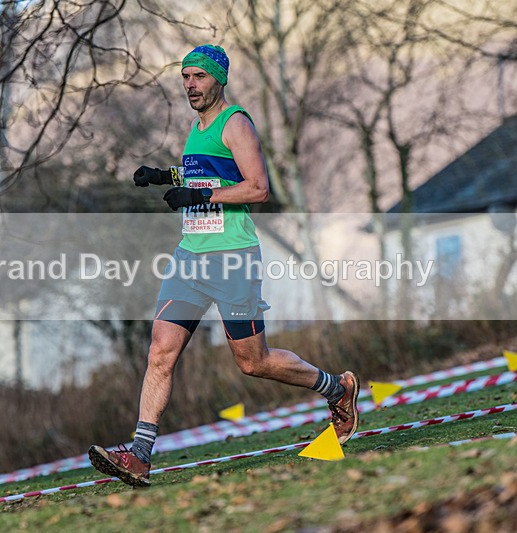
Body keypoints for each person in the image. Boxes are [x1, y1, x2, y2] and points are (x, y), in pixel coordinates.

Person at [88, 44, 359, 487]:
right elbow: (206, 174)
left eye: (198, 76)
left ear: (218, 79)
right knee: (160, 350)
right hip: (190, 257)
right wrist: (164, 176)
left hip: (231, 258)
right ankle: (138, 454)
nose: (190, 85)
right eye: (185, 77)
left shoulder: (236, 124)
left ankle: (337, 388)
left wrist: (200, 196)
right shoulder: (197, 128)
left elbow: (256, 188)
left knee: (253, 362)